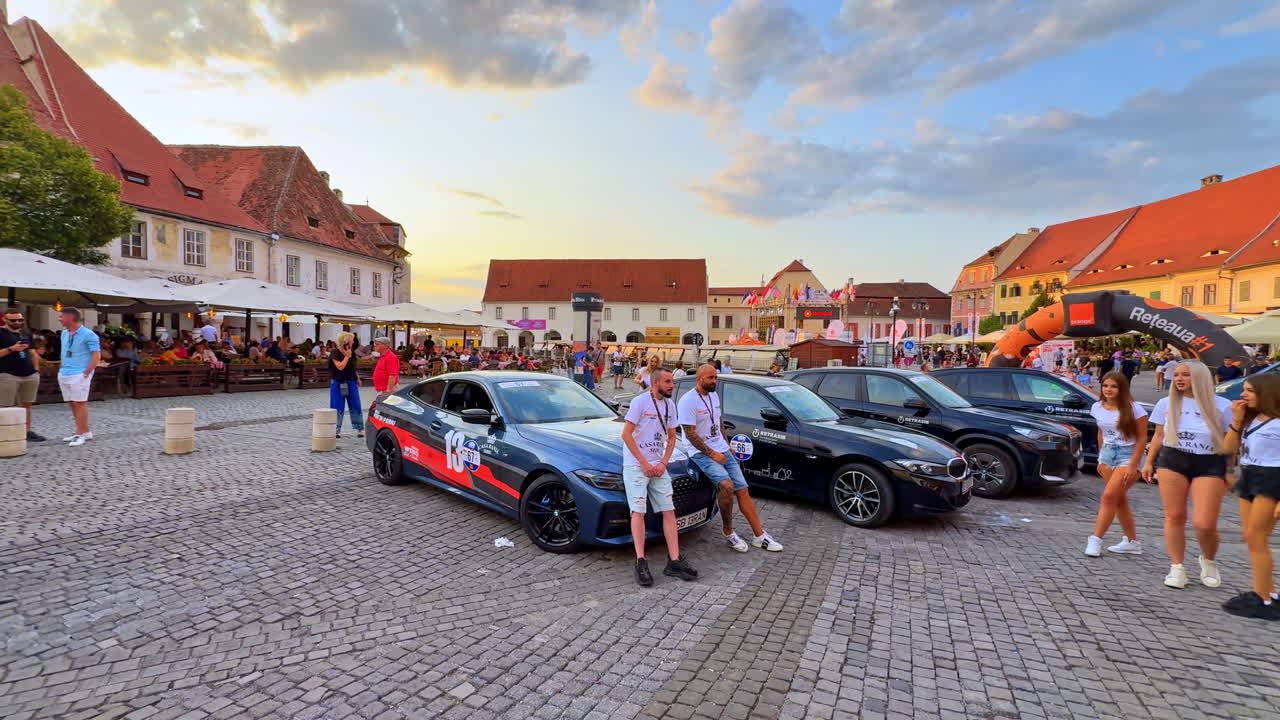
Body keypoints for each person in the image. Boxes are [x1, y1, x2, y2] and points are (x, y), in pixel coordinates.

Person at [1142, 360, 1234, 589]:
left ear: (1200, 377)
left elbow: (1231, 442)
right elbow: (1158, 435)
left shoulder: (1222, 405)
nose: (1179, 378)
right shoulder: (1166, 403)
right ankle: (1177, 567)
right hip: (1173, 459)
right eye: (1177, 374)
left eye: (1186, 375)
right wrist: (1149, 462)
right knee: (1174, 516)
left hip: (1210, 462)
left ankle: (1208, 559)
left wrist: (1230, 469)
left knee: (1204, 523)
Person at [679, 363, 782, 553]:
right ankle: (728, 531)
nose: (714, 381)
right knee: (727, 486)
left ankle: (759, 535)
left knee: (743, 490)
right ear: (699, 379)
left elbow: (718, 422)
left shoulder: (713, 396)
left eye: (715, 377)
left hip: (720, 448)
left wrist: (726, 446)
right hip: (701, 452)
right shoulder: (688, 401)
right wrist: (712, 453)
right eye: (710, 378)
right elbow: (691, 434)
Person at [621, 367, 697, 587]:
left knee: (669, 510)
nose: (672, 385)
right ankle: (640, 561)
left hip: (658, 466)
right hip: (637, 465)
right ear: (655, 383)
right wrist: (644, 463)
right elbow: (626, 434)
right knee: (638, 511)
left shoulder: (670, 405)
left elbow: (672, 437)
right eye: (667, 382)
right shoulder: (640, 402)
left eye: (672, 381)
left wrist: (663, 462)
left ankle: (674, 560)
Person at [1222, 373, 1280, 619]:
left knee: (1258, 538)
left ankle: (1263, 598)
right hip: (1249, 475)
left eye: (1250, 391)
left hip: (1272, 479)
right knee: (1251, 537)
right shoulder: (1252, 419)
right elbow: (1228, 449)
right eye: (1244, 389)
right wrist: (1236, 421)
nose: (1243, 395)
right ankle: (1266, 591)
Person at [1085, 372, 1149, 557]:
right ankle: (1132, 542)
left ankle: (1095, 540)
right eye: (1105, 386)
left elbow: (1142, 438)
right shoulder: (1097, 407)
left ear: (1122, 389)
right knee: (1119, 500)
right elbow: (1100, 432)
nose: (1108, 390)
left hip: (1128, 455)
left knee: (1108, 497)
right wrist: (1100, 456)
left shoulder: (1135, 409)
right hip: (1107, 454)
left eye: (1113, 386)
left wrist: (1132, 465)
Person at [57, 308, 100, 447]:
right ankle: (84, 432)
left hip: (80, 373)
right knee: (71, 403)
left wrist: (86, 373)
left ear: (70, 318)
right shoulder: (64, 333)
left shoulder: (89, 334)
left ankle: (80, 434)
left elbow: (96, 356)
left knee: (80, 403)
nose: (59, 319)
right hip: (65, 372)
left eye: (61, 316)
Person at [0, 310, 44, 441]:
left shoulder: (26, 333)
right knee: (4, 406)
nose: (17, 322)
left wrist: (36, 370)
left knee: (27, 405)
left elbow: (32, 352)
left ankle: (27, 431)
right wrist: (11, 349)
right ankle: (4, 432)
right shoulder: (1, 333)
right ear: (5, 320)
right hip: (8, 374)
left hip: (29, 374)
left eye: (20, 320)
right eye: (13, 320)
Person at [328, 332, 364, 439]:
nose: (353, 342)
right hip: (338, 382)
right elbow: (340, 367)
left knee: (355, 404)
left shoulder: (351, 352)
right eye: (351, 340)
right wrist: (347, 357)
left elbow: (353, 367)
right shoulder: (335, 352)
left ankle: (359, 428)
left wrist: (357, 378)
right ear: (346, 341)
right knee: (337, 406)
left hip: (351, 381)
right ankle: (336, 430)